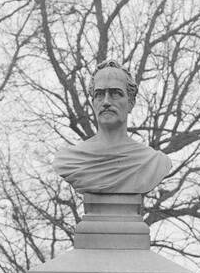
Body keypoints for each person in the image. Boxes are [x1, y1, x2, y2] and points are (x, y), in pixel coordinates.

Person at [52, 60, 173, 194]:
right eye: (99, 94)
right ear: (93, 103)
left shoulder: (153, 162)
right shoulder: (69, 160)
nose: (106, 102)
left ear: (131, 103)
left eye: (115, 93)